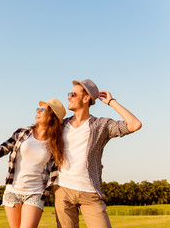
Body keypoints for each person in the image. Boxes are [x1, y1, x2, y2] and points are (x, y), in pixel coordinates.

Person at [54, 79, 142, 228]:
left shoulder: (101, 125)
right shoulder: (61, 125)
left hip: (90, 191)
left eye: (73, 94)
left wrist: (111, 102)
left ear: (86, 98)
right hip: (63, 189)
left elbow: (134, 125)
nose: (68, 97)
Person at [0, 98, 66, 228]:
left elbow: (61, 168)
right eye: (38, 109)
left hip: (35, 193)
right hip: (12, 191)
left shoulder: (56, 143)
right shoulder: (22, 132)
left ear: (52, 116)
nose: (38, 112)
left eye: (43, 110)